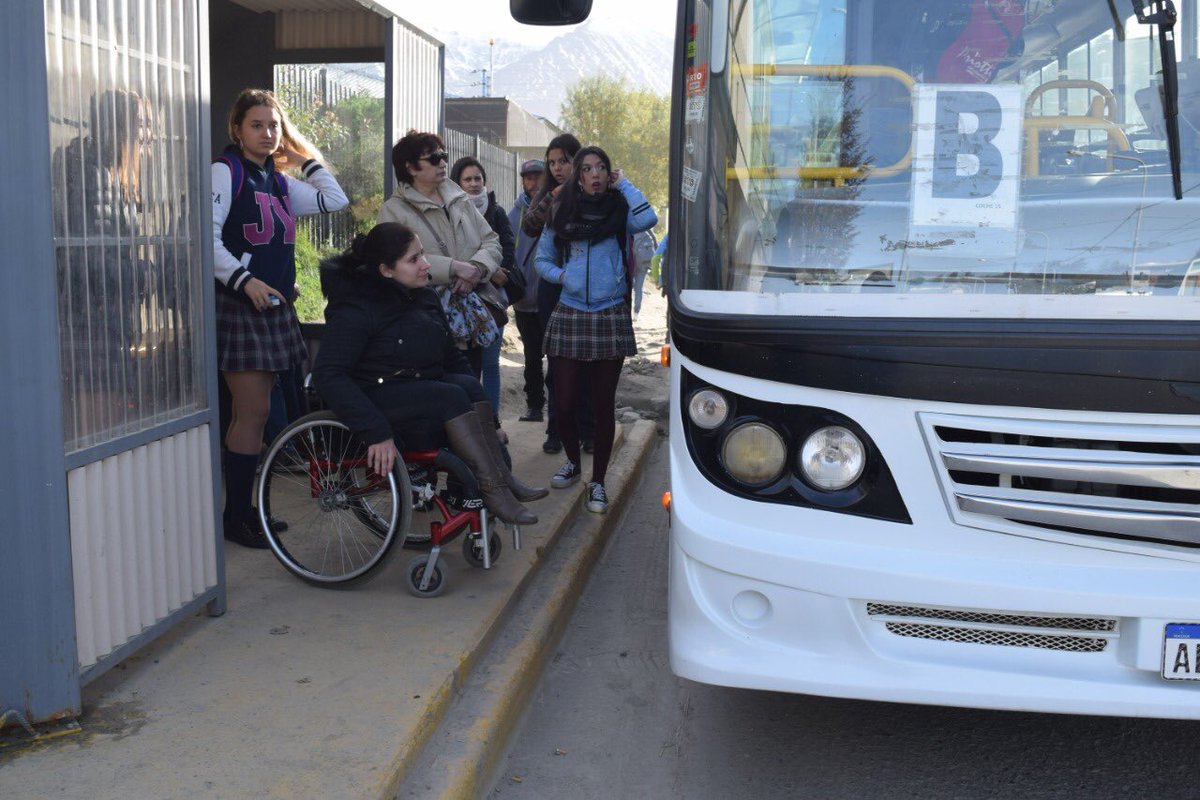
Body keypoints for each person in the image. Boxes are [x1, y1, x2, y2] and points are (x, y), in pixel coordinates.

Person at [312, 223, 545, 525]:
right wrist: (375, 431)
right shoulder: (356, 306)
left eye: (422, 255)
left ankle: (501, 477)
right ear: (385, 270)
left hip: (415, 387)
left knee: (467, 385)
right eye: (414, 259)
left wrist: (493, 425)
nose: (425, 265)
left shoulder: (423, 297)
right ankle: (493, 490)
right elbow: (329, 374)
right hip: (373, 396)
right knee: (450, 395)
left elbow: (453, 358)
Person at [213, 88, 348, 548]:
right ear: (237, 129)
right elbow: (205, 238)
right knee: (251, 415)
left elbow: (335, 200)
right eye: (257, 125)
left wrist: (300, 153)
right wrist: (245, 280)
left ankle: (247, 512)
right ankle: (238, 517)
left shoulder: (278, 180)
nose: (267, 133)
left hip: (273, 310)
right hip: (240, 307)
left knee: (255, 415)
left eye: (273, 125)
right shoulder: (225, 172)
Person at [535, 146, 658, 514]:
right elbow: (542, 258)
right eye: (587, 168)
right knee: (566, 402)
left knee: (603, 406)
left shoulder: (621, 212)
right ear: (578, 175)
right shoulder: (562, 210)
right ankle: (573, 461)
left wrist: (627, 183)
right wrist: (563, 275)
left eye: (602, 167)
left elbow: (648, 217)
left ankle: (599, 482)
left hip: (608, 313)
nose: (595, 174)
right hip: (570, 311)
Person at [378, 131, 502, 376]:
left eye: (443, 155)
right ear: (410, 168)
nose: (443, 163)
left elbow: (492, 242)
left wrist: (476, 268)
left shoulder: (460, 199)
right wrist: (454, 268)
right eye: (433, 159)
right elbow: (393, 262)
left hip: (469, 319)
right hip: (425, 320)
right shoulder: (393, 211)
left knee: (471, 388)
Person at [522, 133, 594, 455]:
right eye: (552, 163)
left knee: (588, 360)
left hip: (590, 286)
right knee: (558, 360)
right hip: (553, 286)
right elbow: (529, 226)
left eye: (563, 161)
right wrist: (553, 196)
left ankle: (588, 429)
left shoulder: (594, 189)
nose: (558, 167)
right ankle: (555, 429)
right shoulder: (547, 193)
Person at [449, 155, 519, 442]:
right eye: (468, 179)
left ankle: (492, 422)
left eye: (478, 178)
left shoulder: (498, 212)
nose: (474, 184)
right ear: (458, 183)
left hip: (490, 299)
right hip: (460, 297)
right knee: (465, 365)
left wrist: (488, 271)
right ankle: (470, 422)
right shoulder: (450, 212)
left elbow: (507, 251)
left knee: (490, 363)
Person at [509, 159, 548, 423]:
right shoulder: (514, 215)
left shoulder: (557, 208)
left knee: (559, 362)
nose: (533, 183)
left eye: (538, 177)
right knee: (532, 358)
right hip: (524, 301)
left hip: (552, 299)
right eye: (529, 178)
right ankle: (534, 406)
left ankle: (559, 415)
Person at [630, 228, 657, 319]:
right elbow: (655, 242)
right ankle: (636, 313)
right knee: (639, 288)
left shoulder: (630, 227)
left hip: (631, 263)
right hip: (644, 262)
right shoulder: (647, 228)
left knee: (628, 287)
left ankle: (628, 310)